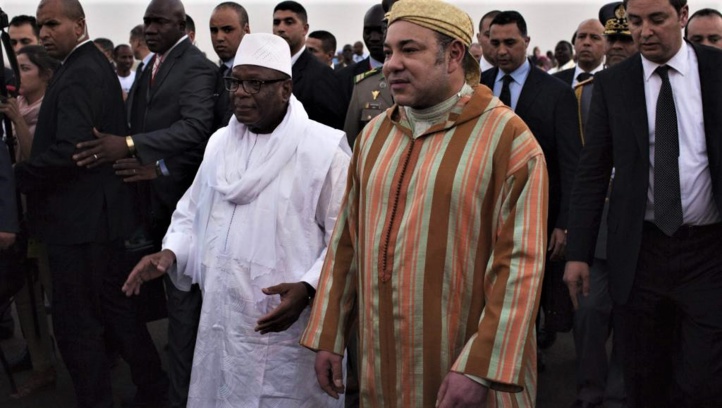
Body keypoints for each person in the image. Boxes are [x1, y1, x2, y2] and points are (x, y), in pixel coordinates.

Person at [301, 0, 548, 406]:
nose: (391, 64)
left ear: (453, 55)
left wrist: (480, 365)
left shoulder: (509, 139)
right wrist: (331, 333)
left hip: (463, 369)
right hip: (381, 362)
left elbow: (520, 266)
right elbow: (347, 241)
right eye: (389, 51)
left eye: (409, 50)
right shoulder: (376, 135)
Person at [122, 32, 349, 408]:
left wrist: (308, 288)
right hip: (222, 320)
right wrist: (171, 253)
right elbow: (192, 212)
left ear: (285, 88)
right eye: (235, 81)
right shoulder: (219, 144)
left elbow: (345, 238)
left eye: (255, 83)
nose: (240, 92)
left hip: (287, 326)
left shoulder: (323, 151)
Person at [564, 0, 722, 406]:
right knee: (644, 374)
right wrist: (578, 253)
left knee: (703, 376)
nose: (644, 32)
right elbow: (592, 171)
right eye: (635, 22)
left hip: (708, 252)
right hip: (641, 251)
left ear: (682, 16)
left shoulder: (716, 70)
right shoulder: (616, 83)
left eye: (657, 20)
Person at [14, 1, 167, 406]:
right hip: (94, 220)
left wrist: (21, 177)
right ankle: (154, 389)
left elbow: (73, 150)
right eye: (40, 25)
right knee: (118, 313)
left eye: (52, 24)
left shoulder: (81, 71)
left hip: (79, 224)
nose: (45, 33)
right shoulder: (82, 65)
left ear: (79, 25)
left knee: (78, 326)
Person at [73, 0, 220, 406]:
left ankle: (181, 395)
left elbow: (195, 129)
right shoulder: (148, 66)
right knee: (137, 299)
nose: (150, 28)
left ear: (182, 25)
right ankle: (161, 386)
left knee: (183, 314)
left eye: (159, 21)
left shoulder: (197, 68)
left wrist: (136, 148)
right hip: (144, 201)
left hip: (181, 206)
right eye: (147, 22)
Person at [481, 10, 582, 354]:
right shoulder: (475, 89)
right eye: (494, 43)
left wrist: (565, 224)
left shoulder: (556, 93)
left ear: (526, 41)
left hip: (539, 209)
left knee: (530, 288)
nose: (502, 50)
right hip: (485, 209)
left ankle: (527, 356)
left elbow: (572, 163)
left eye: (510, 42)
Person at [565, 4, 635, 408]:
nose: (622, 46)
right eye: (618, 39)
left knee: (633, 319)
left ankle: (621, 392)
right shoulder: (585, 94)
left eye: (628, 38)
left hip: (645, 227)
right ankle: (590, 390)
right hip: (599, 229)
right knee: (590, 313)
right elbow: (581, 170)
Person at [0, 45, 60, 399]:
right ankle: (41, 365)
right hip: (17, 216)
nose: (16, 77)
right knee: (25, 298)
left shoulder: (48, 110)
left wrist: (18, 122)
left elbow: (37, 161)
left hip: (44, 218)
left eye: (25, 69)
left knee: (55, 290)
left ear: (45, 75)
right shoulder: (15, 106)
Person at [272, 0, 344, 130]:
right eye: (276, 22)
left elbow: (328, 128)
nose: (280, 28)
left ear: (305, 29)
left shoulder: (322, 74)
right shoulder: (268, 69)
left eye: (289, 22)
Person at [336, 4, 386, 111]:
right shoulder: (344, 78)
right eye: (368, 31)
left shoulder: (413, 75)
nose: (374, 38)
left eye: (381, 30)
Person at [209, 1, 250, 126]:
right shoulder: (218, 72)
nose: (219, 37)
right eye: (214, 30)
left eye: (227, 29)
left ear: (246, 31)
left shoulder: (253, 76)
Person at [554, 19, 606, 87]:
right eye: (581, 37)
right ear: (574, 44)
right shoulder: (556, 81)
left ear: (606, 45)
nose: (586, 42)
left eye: (594, 38)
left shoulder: (615, 82)